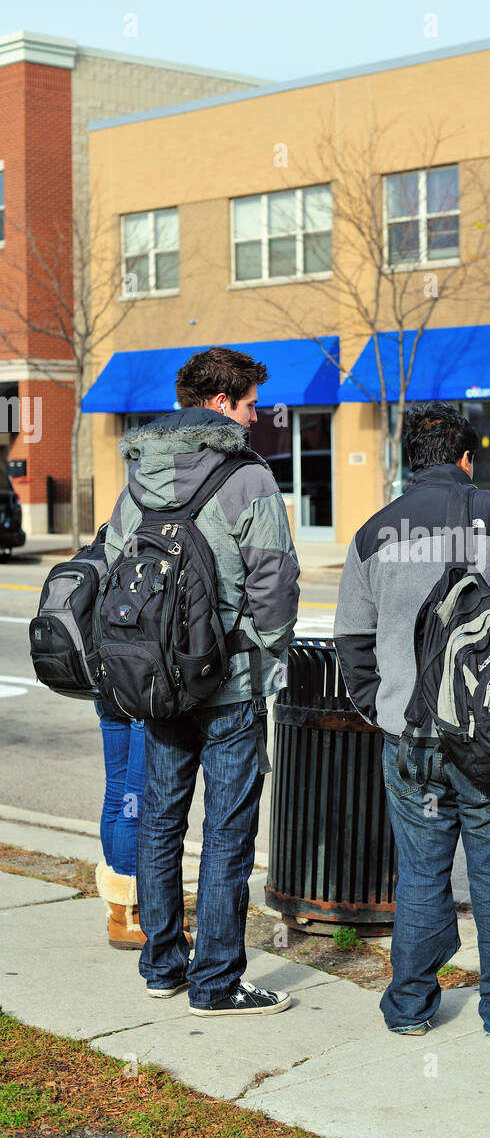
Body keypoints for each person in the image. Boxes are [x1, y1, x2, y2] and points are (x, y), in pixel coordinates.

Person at [334, 400, 490, 1038]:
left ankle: (411, 1007)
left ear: (410, 463)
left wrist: (379, 708)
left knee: (419, 872)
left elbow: (352, 642)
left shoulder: (372, 532)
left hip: (408, 741)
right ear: (467, 460)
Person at [105, 346, 300, 1015]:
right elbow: (276, 578)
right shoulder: (247, 475)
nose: (256, 417)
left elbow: (110, 566)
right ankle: (216, 983)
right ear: (221, 403)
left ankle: (163, 963)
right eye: (249, 405)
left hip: (156, 681)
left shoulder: (136, 472)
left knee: (160, 820)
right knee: (227, 831)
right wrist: (268, 654)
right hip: (231, 682)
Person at [93, 705, 146, 948]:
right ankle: (130, 916)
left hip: (107, 683)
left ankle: (119, 912)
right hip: (139, 688)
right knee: (133, 801)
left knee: (118, 794)